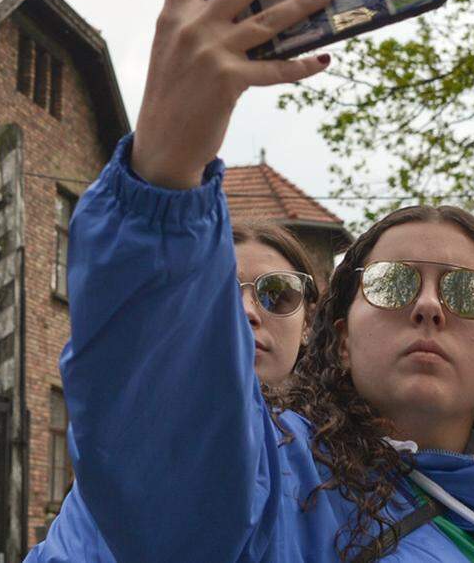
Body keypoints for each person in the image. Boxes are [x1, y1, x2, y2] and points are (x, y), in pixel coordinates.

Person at [24, 0, 474, 562]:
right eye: (393, 284)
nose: (431, 306)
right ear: (341, 339)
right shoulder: (274, 483)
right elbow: (169, 450)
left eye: (466, 292)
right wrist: (166, 170)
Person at [32, 220, 324, 560]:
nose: (246, 311)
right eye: (219, 291)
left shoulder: (353, 470)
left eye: (277, 293)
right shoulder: (130, 447)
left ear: (308, 323)